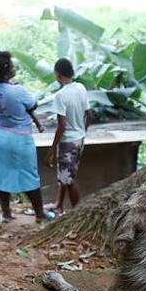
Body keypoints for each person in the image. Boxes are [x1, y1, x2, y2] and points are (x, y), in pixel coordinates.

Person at [0, 50, 54, 223]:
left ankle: (6, 213)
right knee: (29, 175)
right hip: (19, 138)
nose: (14, 67)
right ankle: (39, 214)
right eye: (12, 65)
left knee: (0, 174)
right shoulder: (18, 90)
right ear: (8, 71)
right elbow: (33, 104)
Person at [45, 58, 90, 215]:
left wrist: (52, 150)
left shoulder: (60, 96)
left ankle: (79, 214)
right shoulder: (81, 88)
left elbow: (61, 126)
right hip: (79, 139)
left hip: (68, 142)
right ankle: (59, 205)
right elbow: (89, 114)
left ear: (58, 75)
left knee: (68, 179)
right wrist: (82, 131)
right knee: (66, 174)